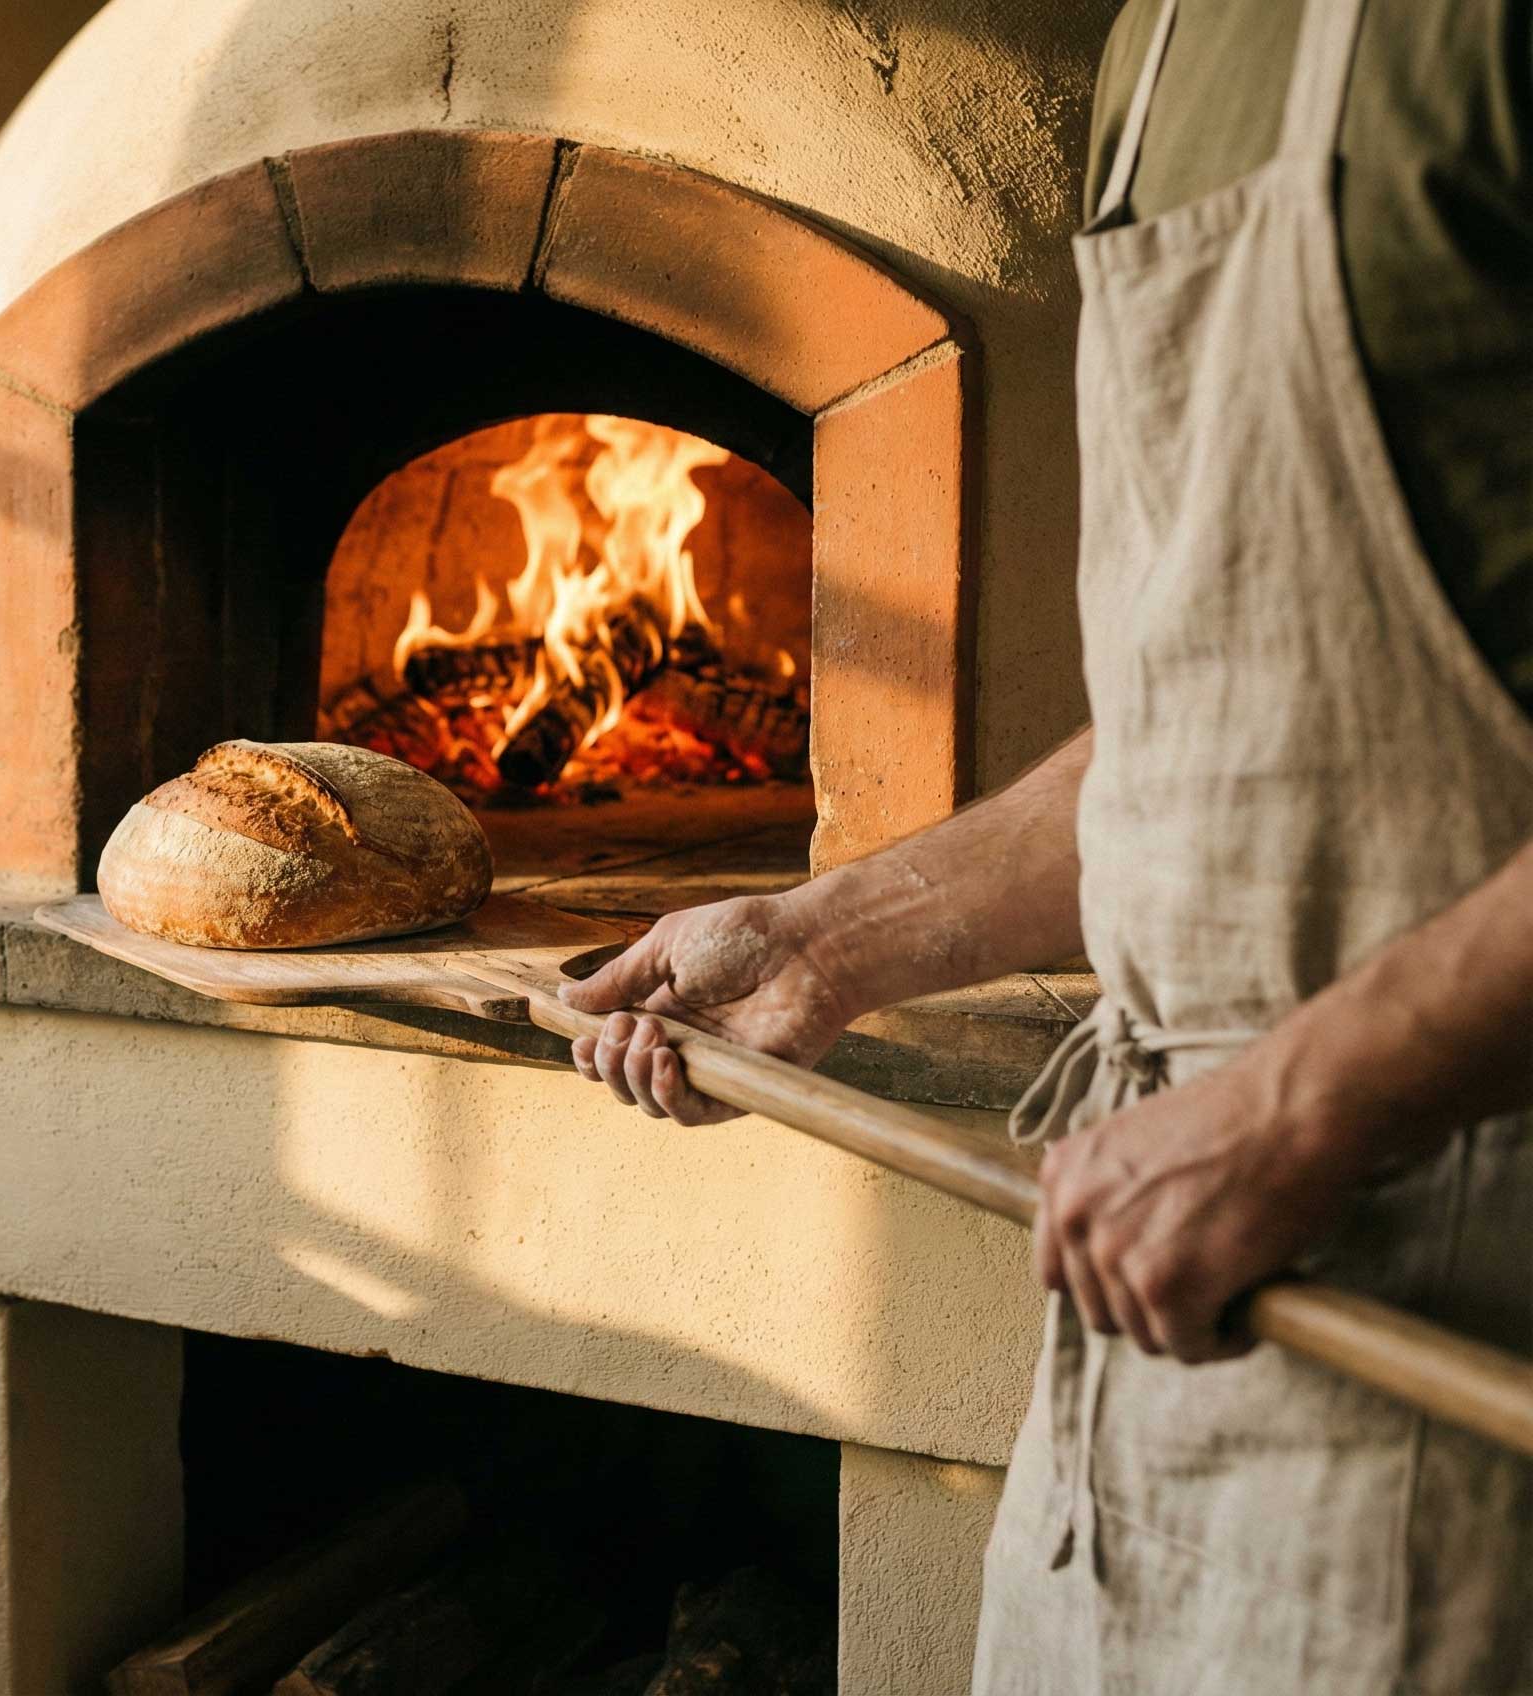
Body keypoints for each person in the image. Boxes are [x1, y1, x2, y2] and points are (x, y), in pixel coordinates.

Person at [565, 0, 1533, 1687]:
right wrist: (825, 940)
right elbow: (1235, 720)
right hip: (1152, 1326)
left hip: (1453, 1304)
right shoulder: (1168, 40)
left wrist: (1303, 1105)